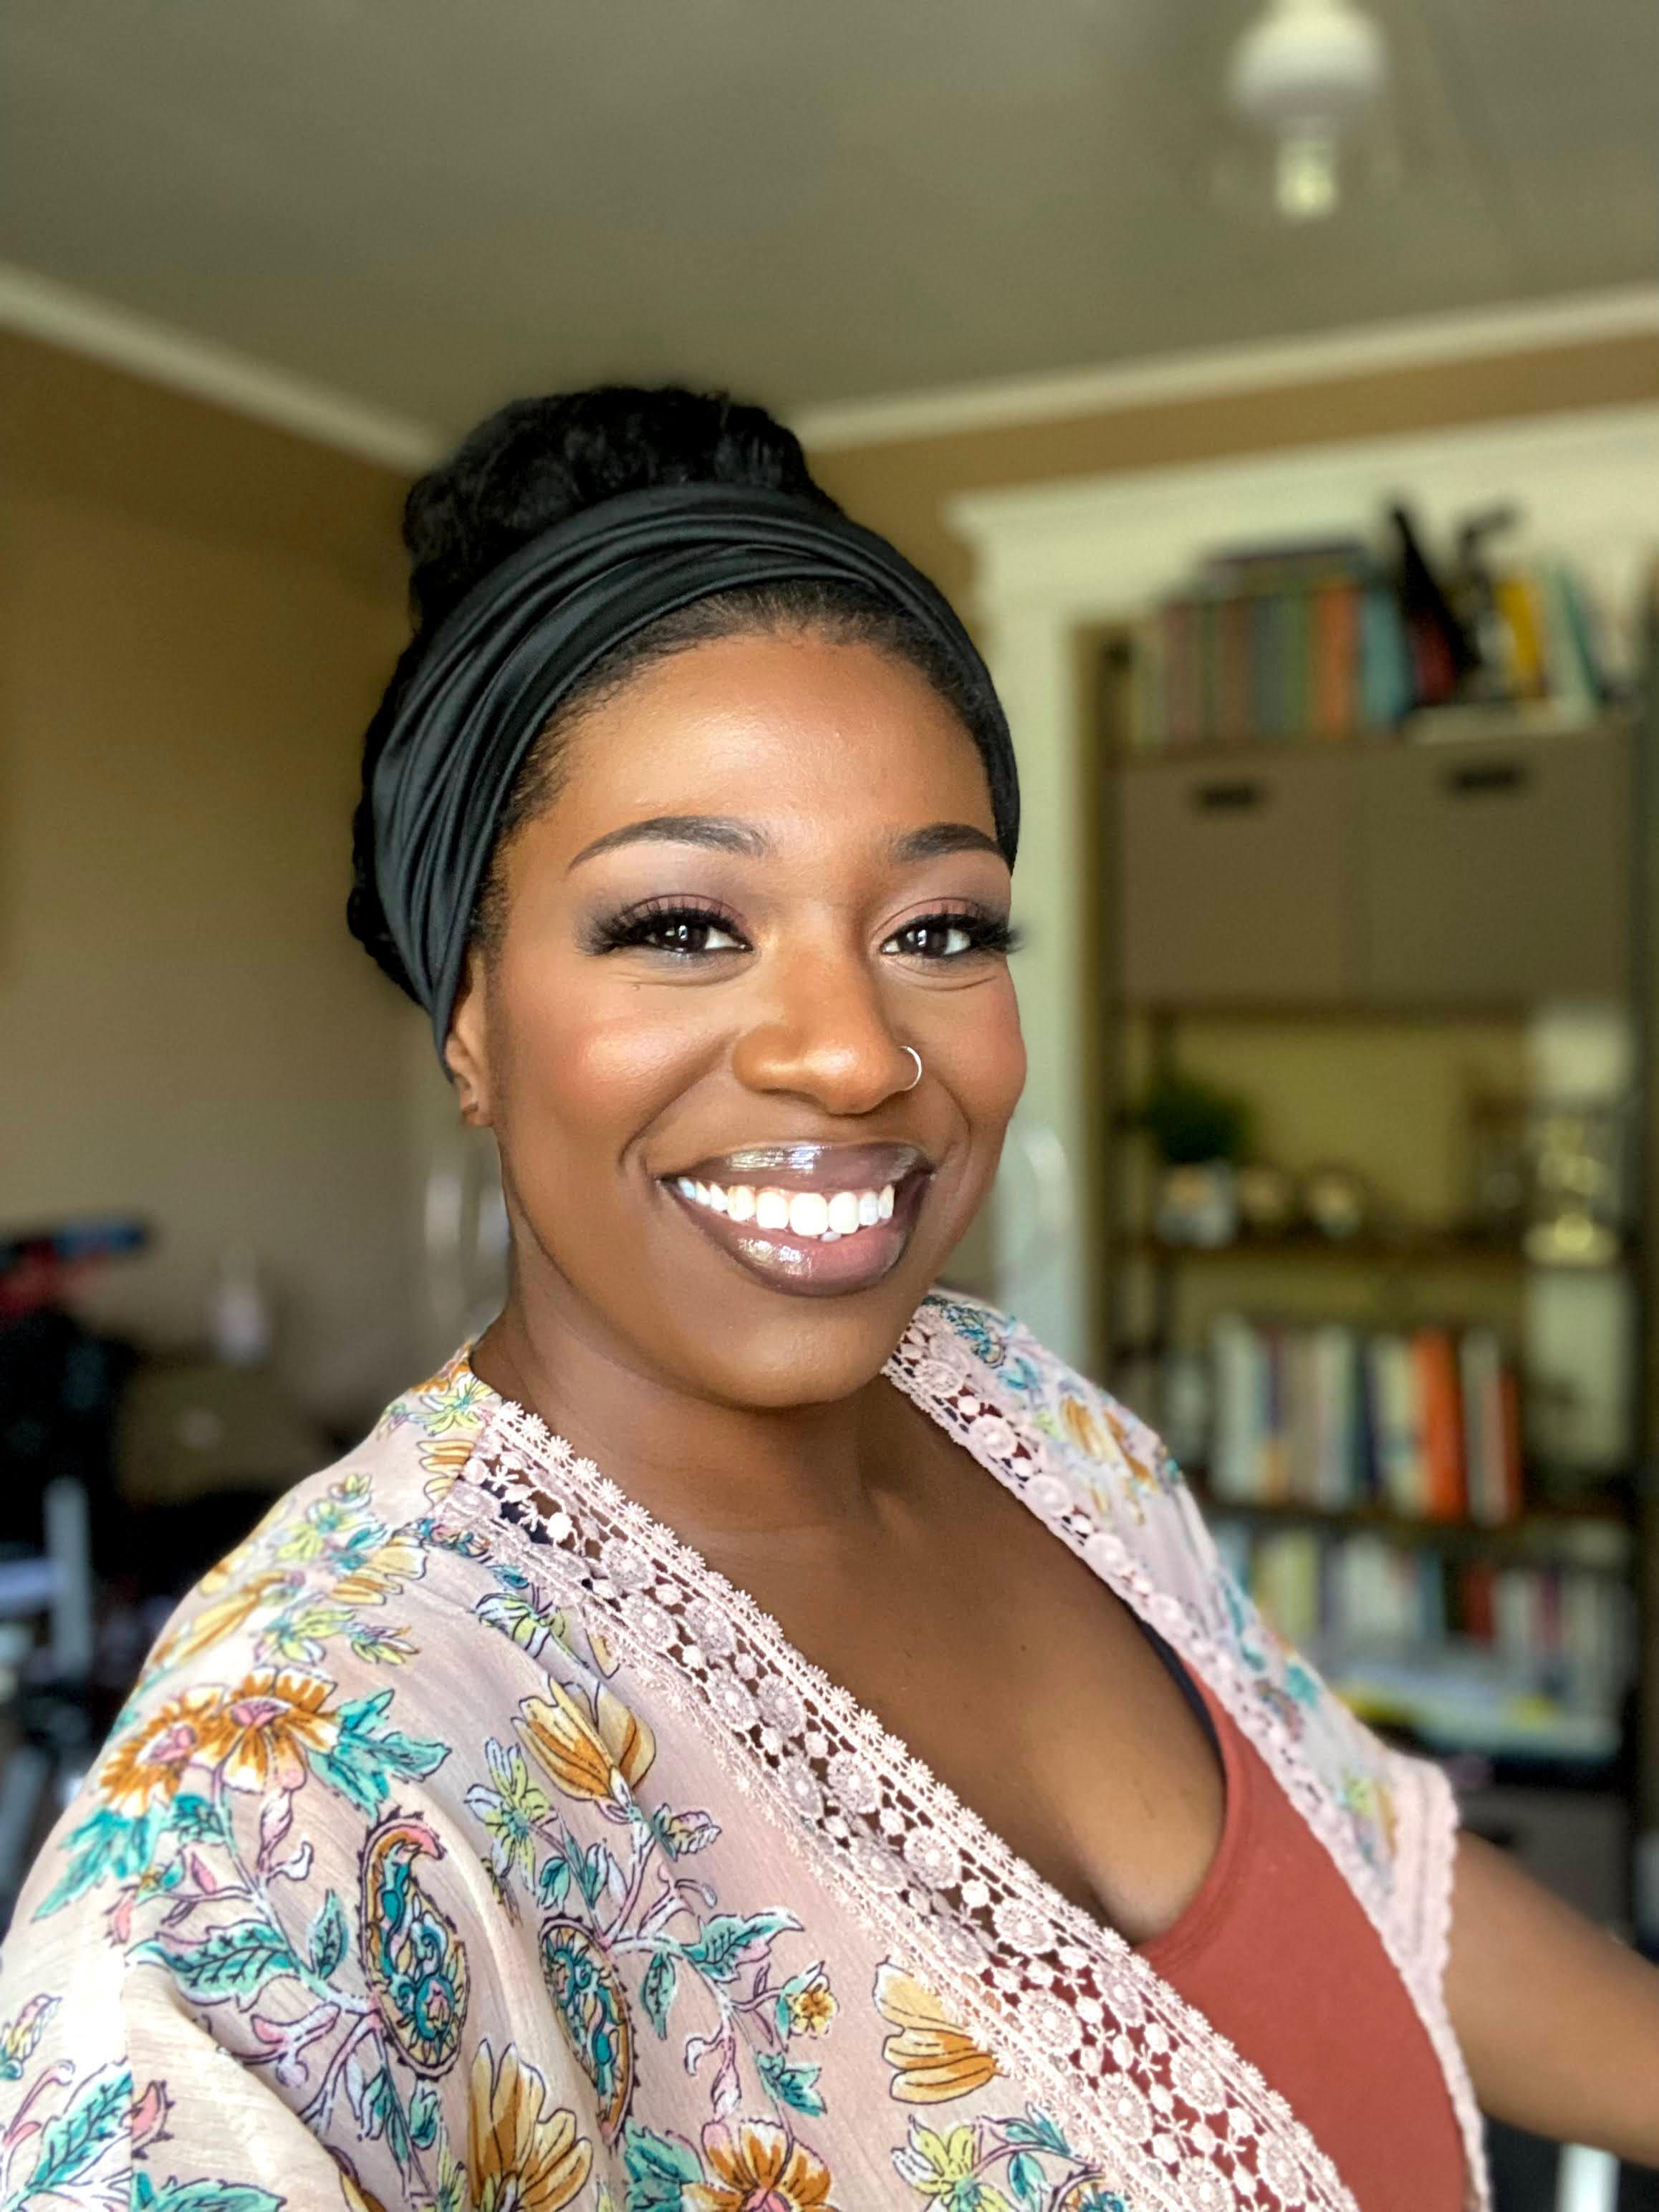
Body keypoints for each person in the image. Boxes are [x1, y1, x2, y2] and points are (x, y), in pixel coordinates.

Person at [2, 388, 1654, 2212]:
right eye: (682, 925)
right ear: (468, 1016)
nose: (858, 1054)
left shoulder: (1034, 1421)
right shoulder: (297, 1777)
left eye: (938, 929)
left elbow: (1375, 1867)